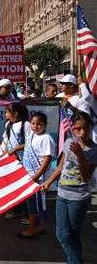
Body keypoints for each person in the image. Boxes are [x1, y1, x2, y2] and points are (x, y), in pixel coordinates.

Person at [41, 112, 97, 264]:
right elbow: (60, 166)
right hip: (62, 195)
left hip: (79, 198)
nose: (82, 132)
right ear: (72, 128)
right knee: (66, 234)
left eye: (86, 128)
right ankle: (74, 260)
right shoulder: (68, 142)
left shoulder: (93, 150)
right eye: (78, 129)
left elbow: (86, 177)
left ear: (92, 127)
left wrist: (80, 156)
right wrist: (49, 182)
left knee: (67, 235)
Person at [15, 112, 54, 238]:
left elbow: (48, 159)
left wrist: (36, 176)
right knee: (32, 203)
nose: (35, 126)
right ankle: (40, 226)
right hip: (29, 175)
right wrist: (15, 149)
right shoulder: (31, 135)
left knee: (34, 205)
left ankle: (32, 230)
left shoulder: (46, 138)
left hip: (37, 177)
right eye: (33, 124)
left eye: (39, 124)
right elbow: (26, 146)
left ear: (45, 125)